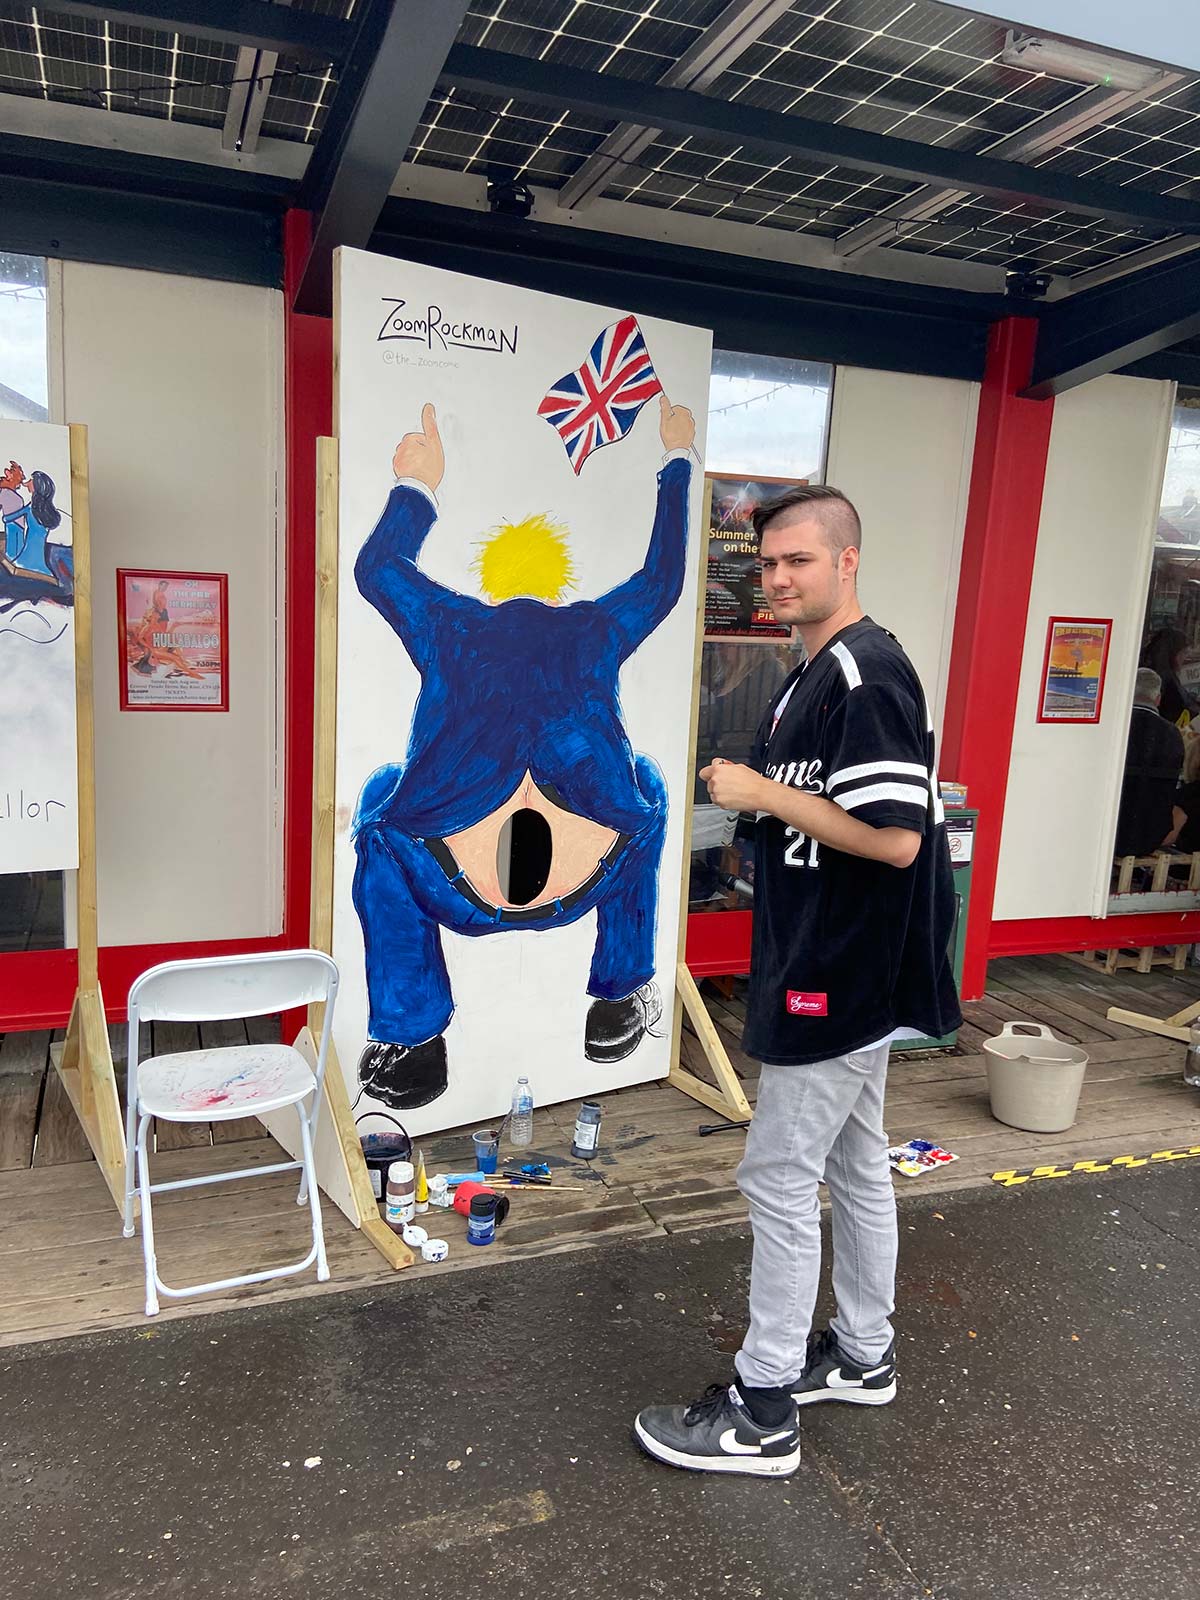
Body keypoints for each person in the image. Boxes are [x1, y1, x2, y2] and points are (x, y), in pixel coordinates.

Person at [635, 483, 960, 1478]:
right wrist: (763, 815)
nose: (776, 579)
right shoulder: (805, 674)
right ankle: (863, 1355)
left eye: (798, 562)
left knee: (778, 1175)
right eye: (766, 563)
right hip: (826, 955)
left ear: (847, 561)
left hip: (838, 966)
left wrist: (760, 791)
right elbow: (828, 816)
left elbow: (898, 842)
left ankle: (763, 1408)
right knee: (858, 1165)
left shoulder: (865, 674)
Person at [352, 396, 696, 1110]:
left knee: (379, 804)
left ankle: (413, 1041)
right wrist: (675, 465)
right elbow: (662, 581)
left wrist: (418, 484)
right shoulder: (597, 629)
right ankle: (620, 996)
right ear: (557, 583)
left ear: (493, 581)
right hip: (584, 884)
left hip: (460, 890)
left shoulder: (450, 625)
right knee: (647, 789)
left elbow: (377, 569)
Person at [1115, 668, 1185, 858]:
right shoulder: (1173, 735)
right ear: (1158, 699)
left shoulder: (1116, 727)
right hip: (1151, 836)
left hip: (1108, 829)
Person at [1141, 628, 1192, 727]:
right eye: (1184, 653)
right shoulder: (1165, 679)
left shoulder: (1154, 673)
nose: (1185, 658)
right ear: (1175, 654)